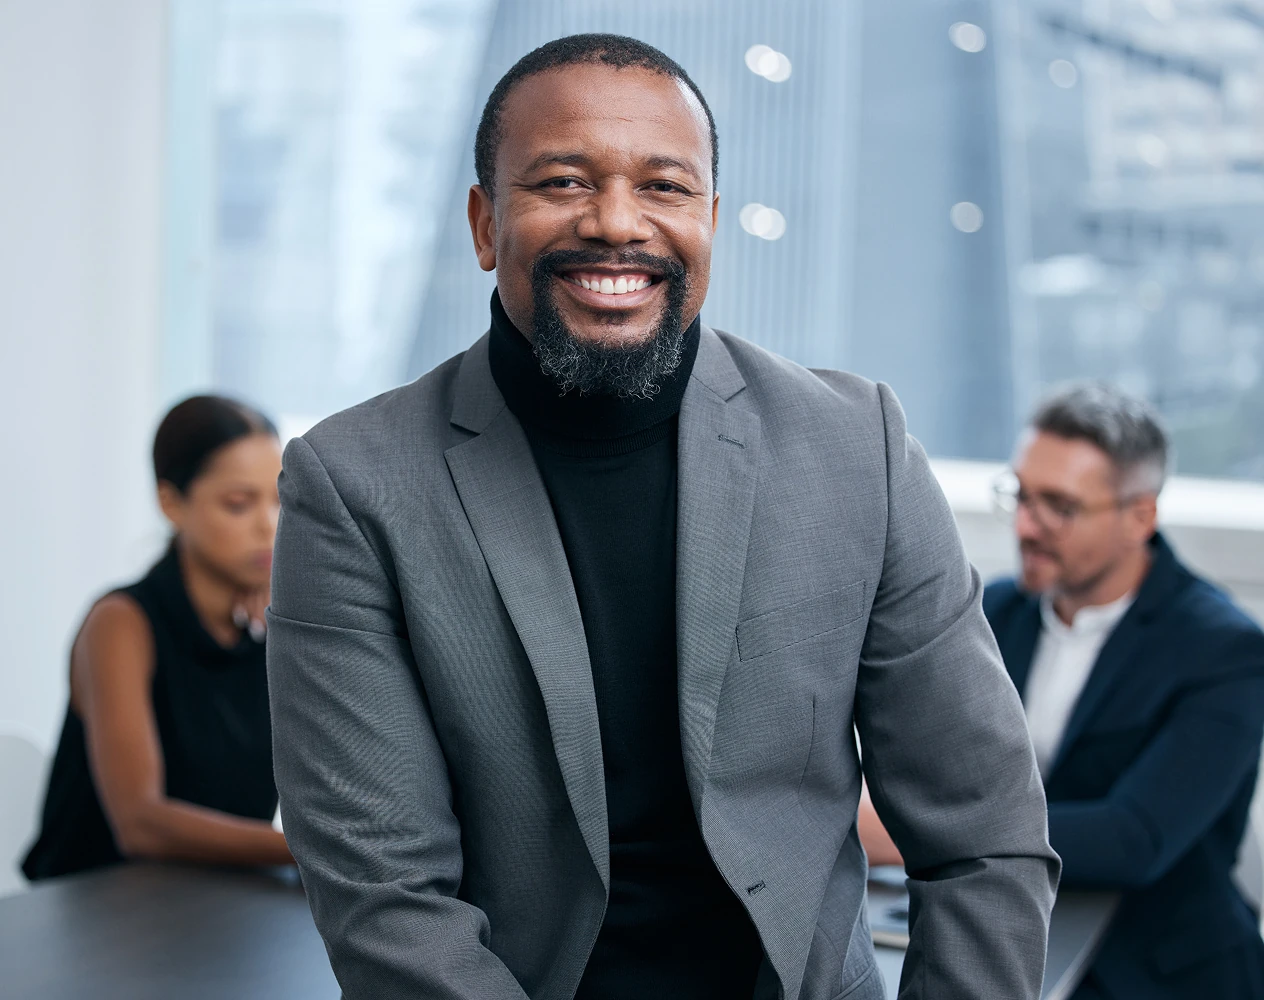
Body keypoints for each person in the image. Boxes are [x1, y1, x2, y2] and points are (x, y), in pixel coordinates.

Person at [267, 34, 1057, 1000]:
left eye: (665, 187)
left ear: (711, 221)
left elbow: (985, 838)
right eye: (562, 181)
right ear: (483, 224)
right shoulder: (352, 484)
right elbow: (384, 898)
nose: (616, 223)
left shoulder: (860, 449)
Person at [861, 381, 1264, 999]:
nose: (1027, 525)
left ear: (1140, 516)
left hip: (1162, 968)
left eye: (1060, 506)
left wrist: (905, 829)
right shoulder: (995, 610)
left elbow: (1135, 838)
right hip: (1018, 933)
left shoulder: (1225, 649)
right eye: (1021, 496)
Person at [22, 395, 291, 881]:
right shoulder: (121, 623)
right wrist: (307, 849)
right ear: (171, 503)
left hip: (219, 909)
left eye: (279, 499)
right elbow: (140, 823)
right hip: (102, 920)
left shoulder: (274, 623)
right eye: (238, 503)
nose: (267, 525)